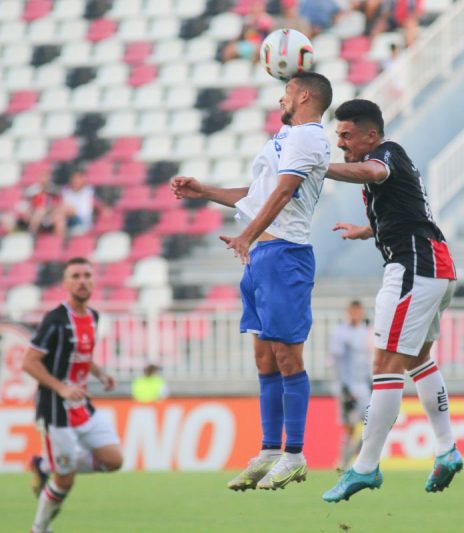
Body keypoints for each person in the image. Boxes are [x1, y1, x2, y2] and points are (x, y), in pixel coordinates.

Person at [170, 71, 333, 491]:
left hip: (285, 256)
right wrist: (205, 191)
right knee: (264, 359)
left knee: (287, 358)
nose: (281, 98)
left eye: (286, 92)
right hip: (262, 256)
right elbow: (261, 193)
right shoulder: (285, 139)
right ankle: (268, 450)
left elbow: (282, 194)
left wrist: (246, 234)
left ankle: (294, 454)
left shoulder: (308, 136)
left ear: (304, 95)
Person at [320, 99, 462, 503]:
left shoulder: (386, 154)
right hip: (435, 265)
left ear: (370, 134)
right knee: (417, 359)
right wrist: (367, 231)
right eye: (338, 136)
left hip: (414, 268)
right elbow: (406, 210)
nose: (341, 143)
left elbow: (372, 170)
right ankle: (446, 448)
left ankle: (364, 466)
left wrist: (317, 168)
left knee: (384, 365)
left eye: (347, 135)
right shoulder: (387, 162)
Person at [22, 257, 123, 533]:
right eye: (76, 276)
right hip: (55, 407)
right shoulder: (55, 319)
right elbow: (29, 362)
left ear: (93, 280)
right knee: (65, 482)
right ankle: (39, 528)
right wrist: (61, 387)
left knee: (114, 460)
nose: (82, 281)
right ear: (66, 283)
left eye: (87, 275)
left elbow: (80, 354)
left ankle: (47, 464)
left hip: (81, 405)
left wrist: (101, 373)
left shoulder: (93, 316)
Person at [329, 300, 372, 470]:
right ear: (348, 312)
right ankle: (343, 462)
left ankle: (359, 456)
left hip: (364, 384)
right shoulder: (340, 333)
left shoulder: (367, 331)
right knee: (349, 426)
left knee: (372, 422)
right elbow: (337, 361)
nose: (355, 314)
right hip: (347, 385)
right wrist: (344, 386)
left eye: (358, 311)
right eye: (352, 311)